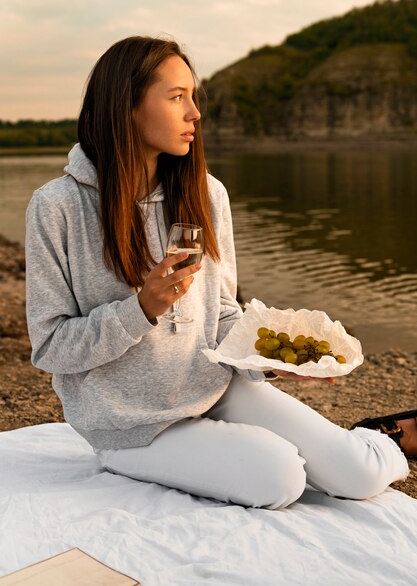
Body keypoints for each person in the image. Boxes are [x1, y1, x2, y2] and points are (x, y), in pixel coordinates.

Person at [25, 36, 410, 510]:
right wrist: (141, 309)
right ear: (126, 106)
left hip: (213, 387)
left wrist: (272, 361)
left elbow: (223, 312)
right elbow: (49, 347)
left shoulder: (206, 194)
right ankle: (143, 456)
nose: (195, 114)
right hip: (130, 422)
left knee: (360, 472)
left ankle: (378, 435)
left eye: (193, 95)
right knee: (280, 477)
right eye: (176, 97)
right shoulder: (57, 206)